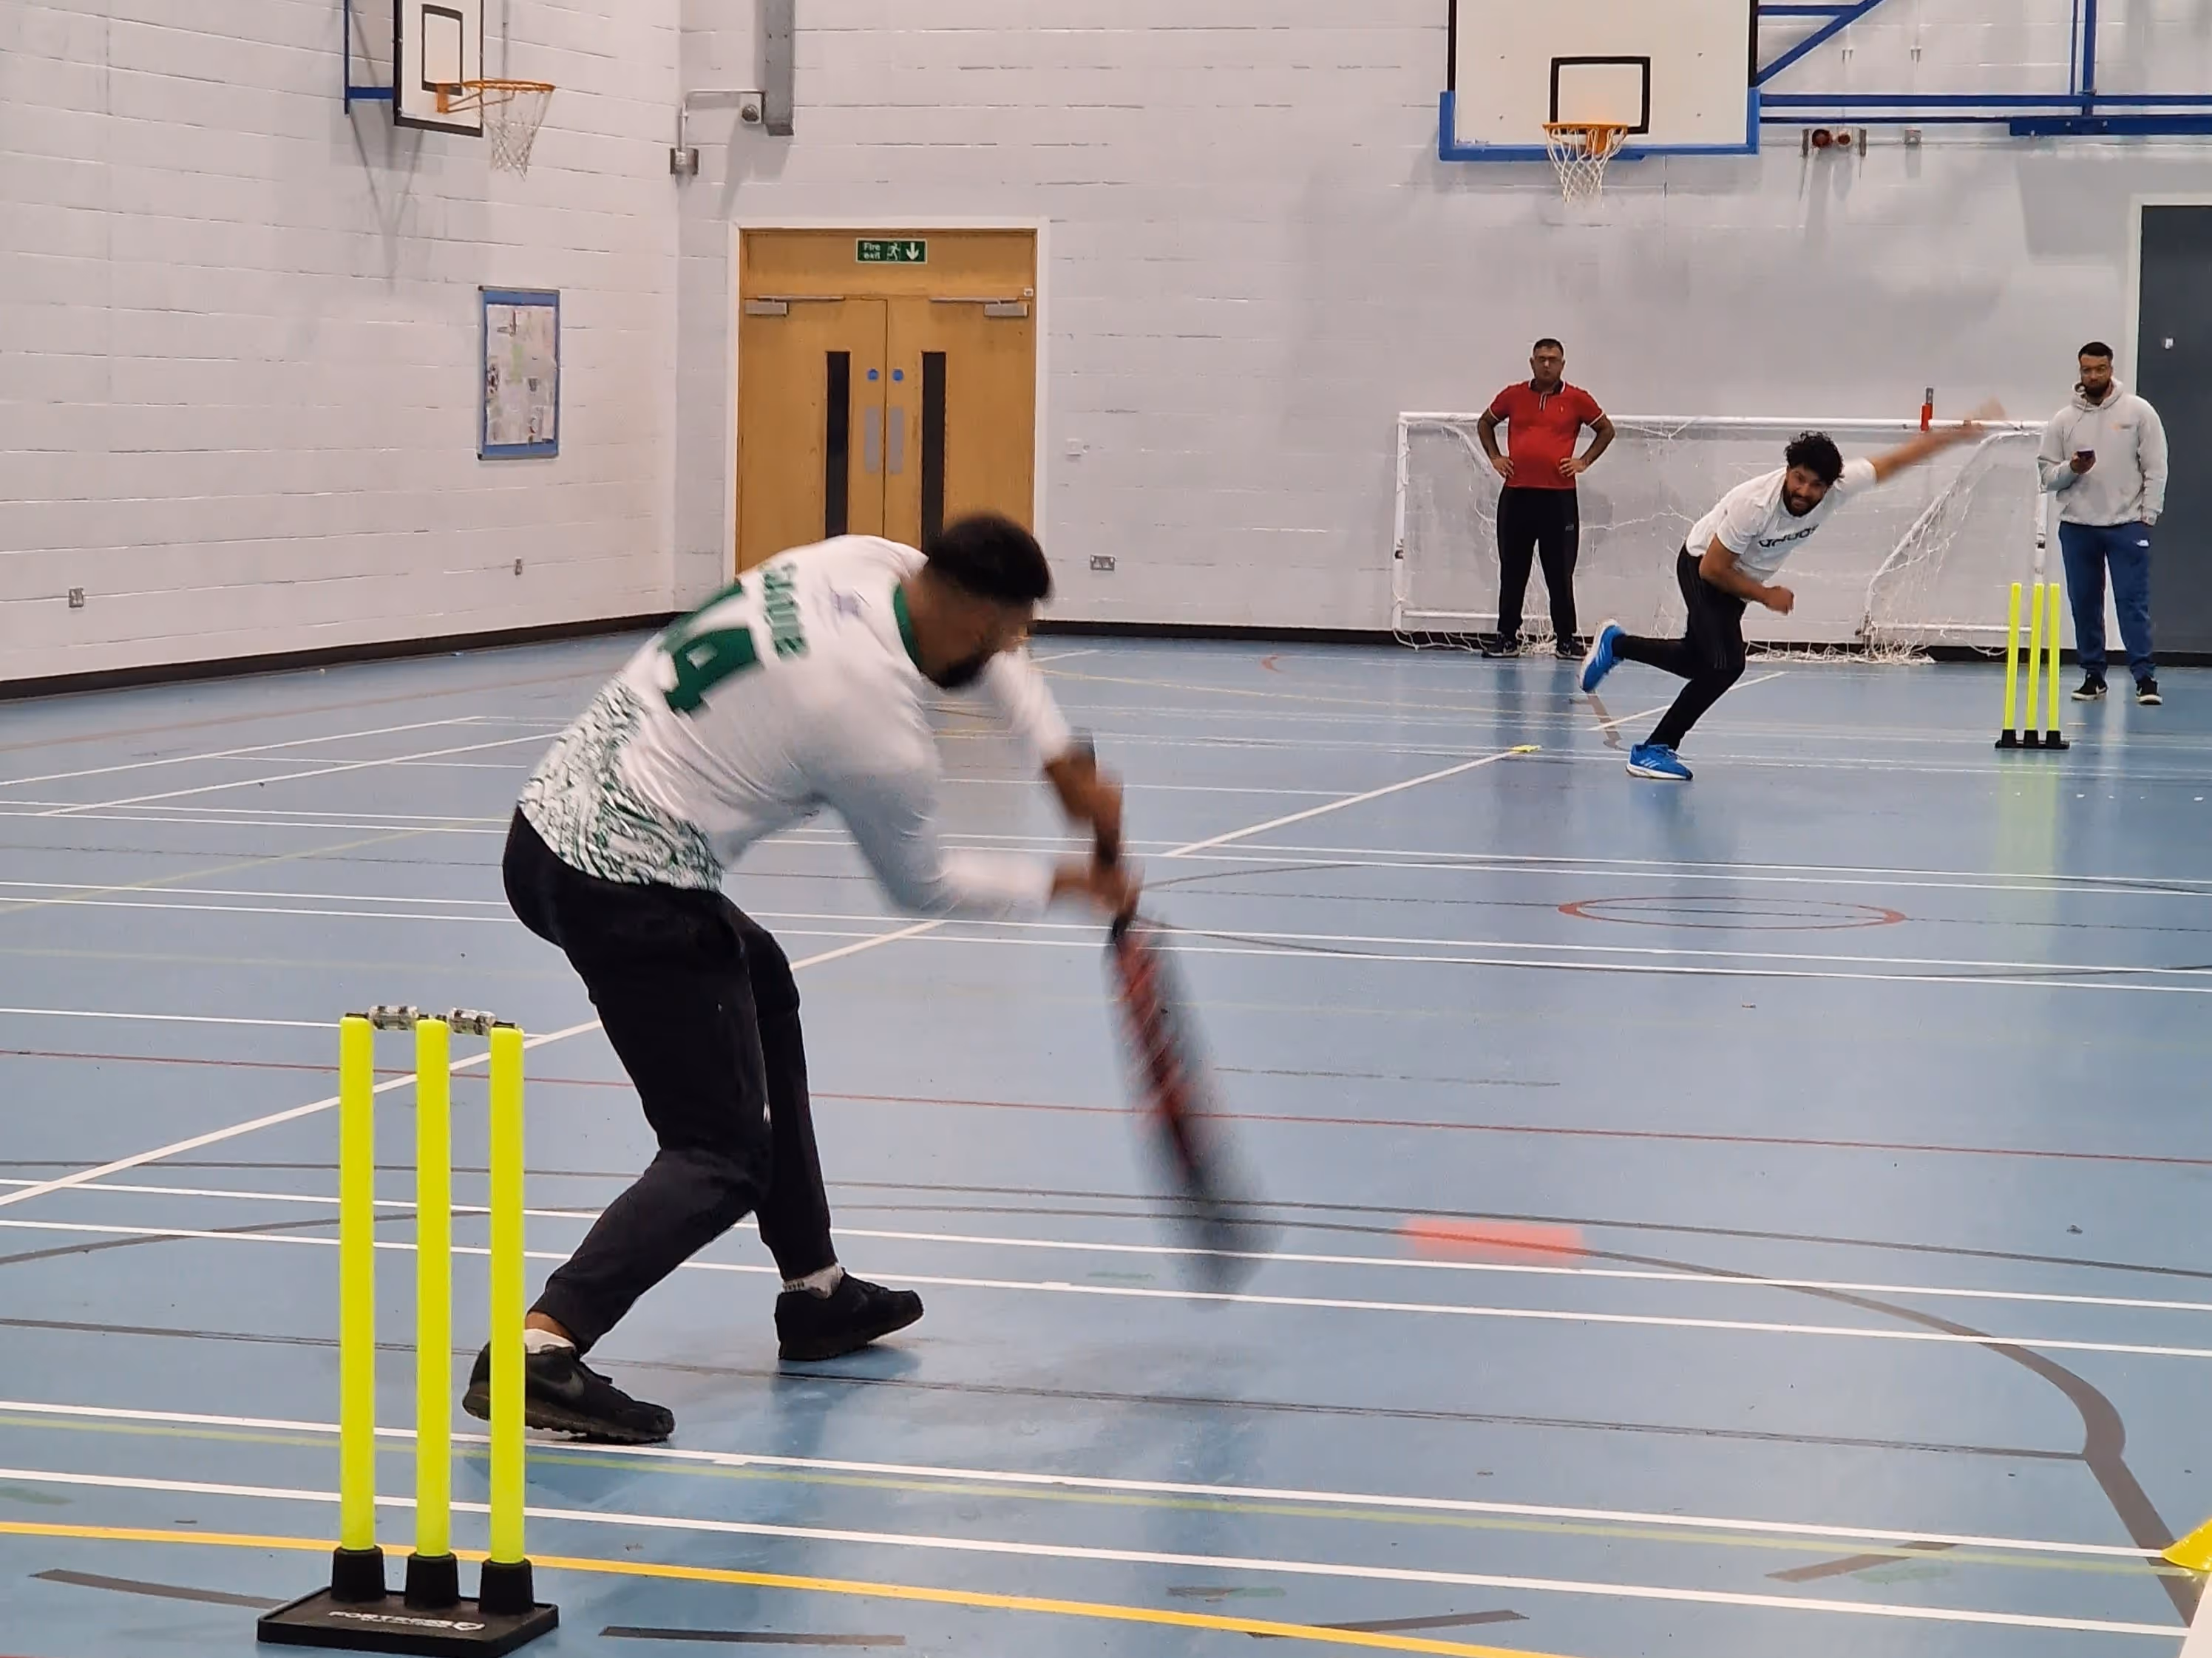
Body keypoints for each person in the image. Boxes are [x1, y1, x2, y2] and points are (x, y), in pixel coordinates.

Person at [470, 514, 1136, 1443]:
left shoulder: (866, 563)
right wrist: (1067, 881)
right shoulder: (870, 726)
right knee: (721, 1154)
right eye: (1005, 631)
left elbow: (993, 662)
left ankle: (815, 1292)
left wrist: (1061, 758)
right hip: (620, 883)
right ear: (971, 611)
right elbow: (923, 884)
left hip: (547, 822)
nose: (1009, 652)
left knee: (761, 977)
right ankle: (540, 1347)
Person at [1578, 415, 1995, 781]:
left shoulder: (1840, 488)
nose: (1803, 491)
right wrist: (1765, 595)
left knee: (1696, 659)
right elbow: (1713, 570)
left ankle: (1618, 644)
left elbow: (1897, 461)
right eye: (1798, 478)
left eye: (1815, 485)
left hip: (1738, 573)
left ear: (1831, 486)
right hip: (1704, 562)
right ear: (1788, 470)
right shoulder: (1755, 505)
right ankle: (1654, 749)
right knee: (1725, 665)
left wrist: (1954, 435)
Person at [2039, 342, 2168, 706]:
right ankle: (2093, 676)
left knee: (2132, 602)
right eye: (2086, 370)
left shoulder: (2139, 412)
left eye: (2100, 369)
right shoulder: (2063, 420)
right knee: (2084, 603)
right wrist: (2072, 469)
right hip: (2078, 526)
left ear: (2111, 369)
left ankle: (2145, 679)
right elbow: (2046, 476)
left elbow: (2156, 467)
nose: (2093, 376)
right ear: (2079, 372)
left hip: (2127, 525)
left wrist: (2149, 516)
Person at [1475, 339, 1615, 656]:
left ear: (1562, 364)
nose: (1547, 364)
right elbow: (1485, 422)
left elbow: (1606, 430)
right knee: (1513, 570)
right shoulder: (1513, 395)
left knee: (1559, 572)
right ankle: (1507, 638)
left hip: (1559, 501)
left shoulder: (1578, 399)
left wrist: (1583, 461)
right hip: (1517, 497)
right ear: (1532, 363)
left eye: (1553, 359)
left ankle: (1566, 640)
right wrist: (1495, 457)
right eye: (1541, 359)